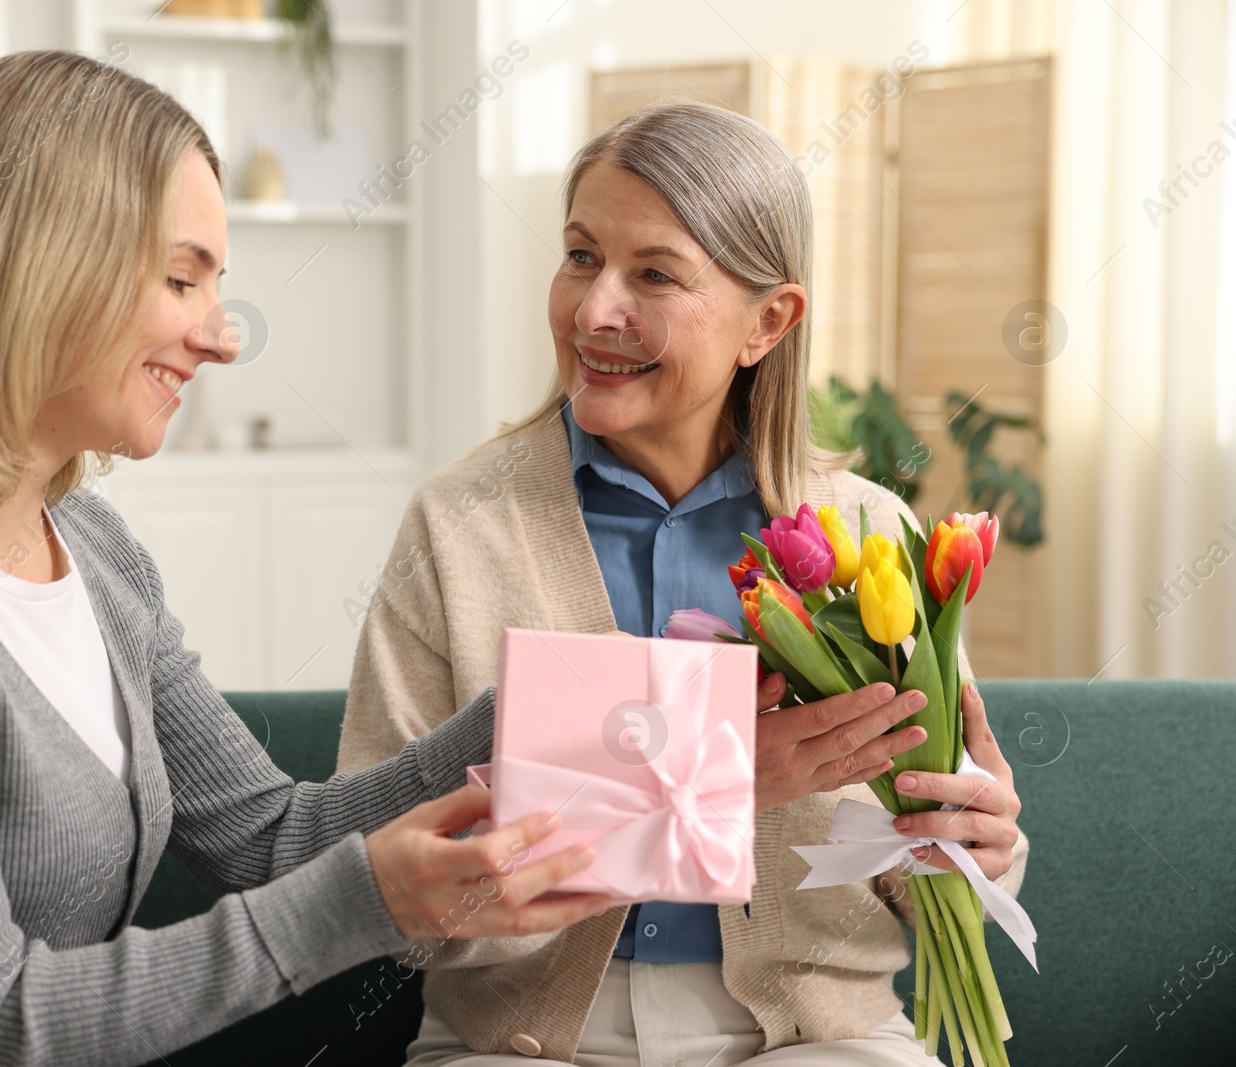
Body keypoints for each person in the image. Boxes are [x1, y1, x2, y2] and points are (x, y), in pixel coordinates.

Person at [0, 51, 614, 1066]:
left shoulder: (93, 546)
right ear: (40, 265)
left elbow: (270, 837)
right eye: (181, 278)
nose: (222, 335)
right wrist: (361, 900)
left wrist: (538, 711)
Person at [337, 102, 1030, 1066]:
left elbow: (918, 865)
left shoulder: (867, 533)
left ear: (770, 320)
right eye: (581, 256)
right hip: (521, 1039)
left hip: (819, 1034)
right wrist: (696, 788)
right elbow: (385, 890)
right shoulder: (460, 526)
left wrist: (971, 851)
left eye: (653, 274)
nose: (592, 310)